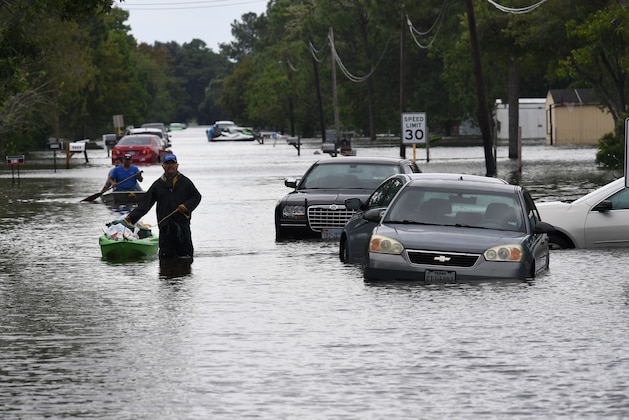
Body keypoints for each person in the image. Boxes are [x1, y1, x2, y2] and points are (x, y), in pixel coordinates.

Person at [124, 153, 202, 259]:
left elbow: (197, 197)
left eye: (172, 163)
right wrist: (131, 217)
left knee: (186, 257)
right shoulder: (157, 185)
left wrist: (186, 206)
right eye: (167, 163)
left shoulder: (185, 182)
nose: (170, 166)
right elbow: (145, 204)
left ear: (177, 165)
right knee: (165, 258)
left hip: (182, 225)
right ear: (163, 166)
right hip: (165, 227)